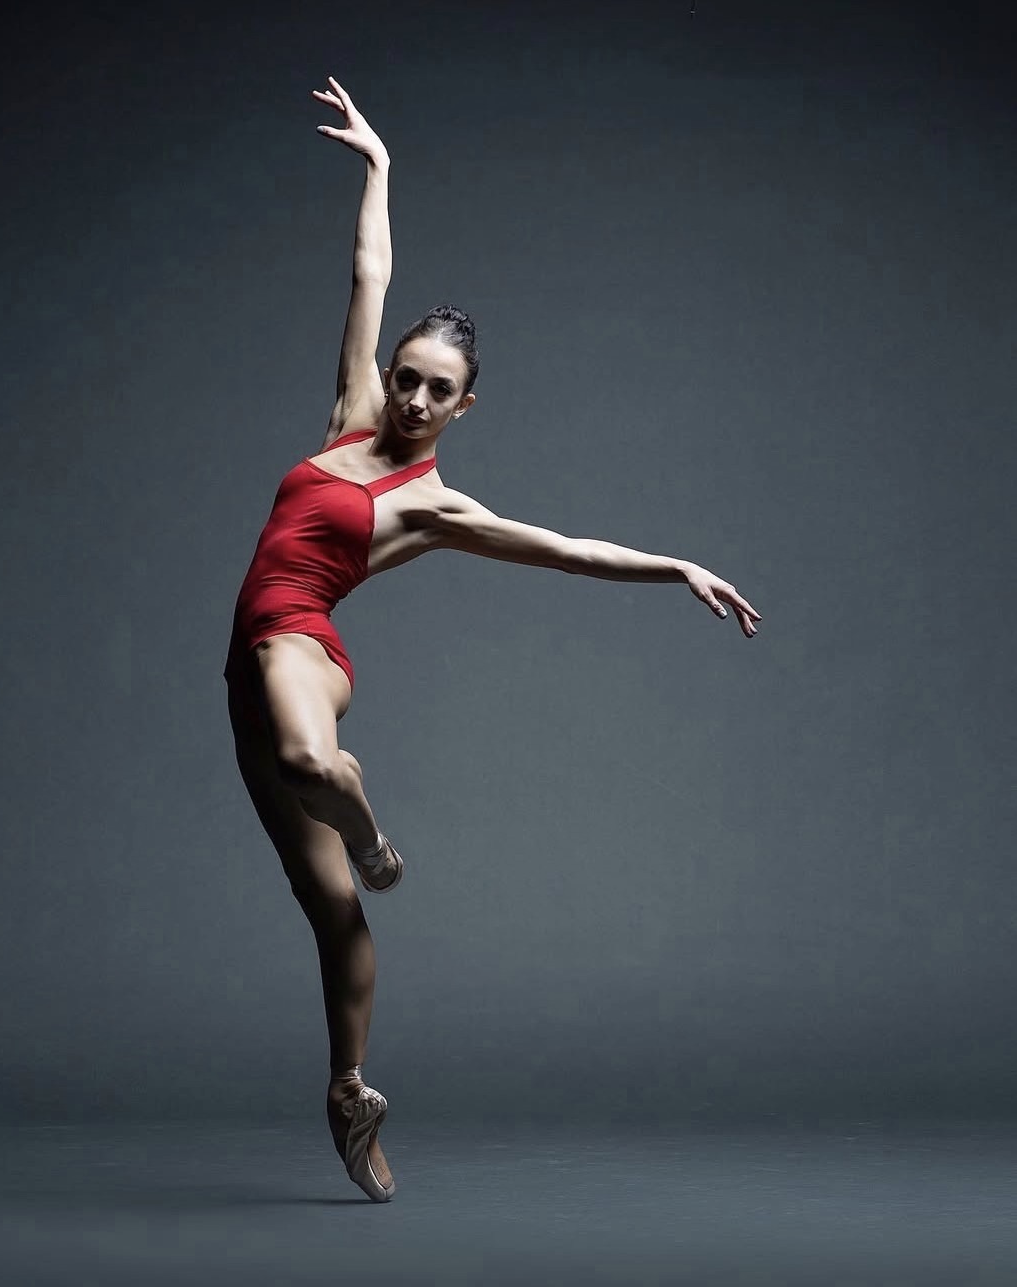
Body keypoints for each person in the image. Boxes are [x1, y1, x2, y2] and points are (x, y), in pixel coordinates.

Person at [223, 76, 762, 1203]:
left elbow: (564, 547)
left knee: (312, 762)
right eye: (408, 379)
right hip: (245, 675)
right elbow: (369, 273)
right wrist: (379, 166)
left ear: (465, 408)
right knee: (329, 911)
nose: (413, 398)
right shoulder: (349, 415)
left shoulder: (432, 506)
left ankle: (371, 829)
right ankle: (350, 1090)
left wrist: (675, 565)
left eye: (439, 392)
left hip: (301, 649)